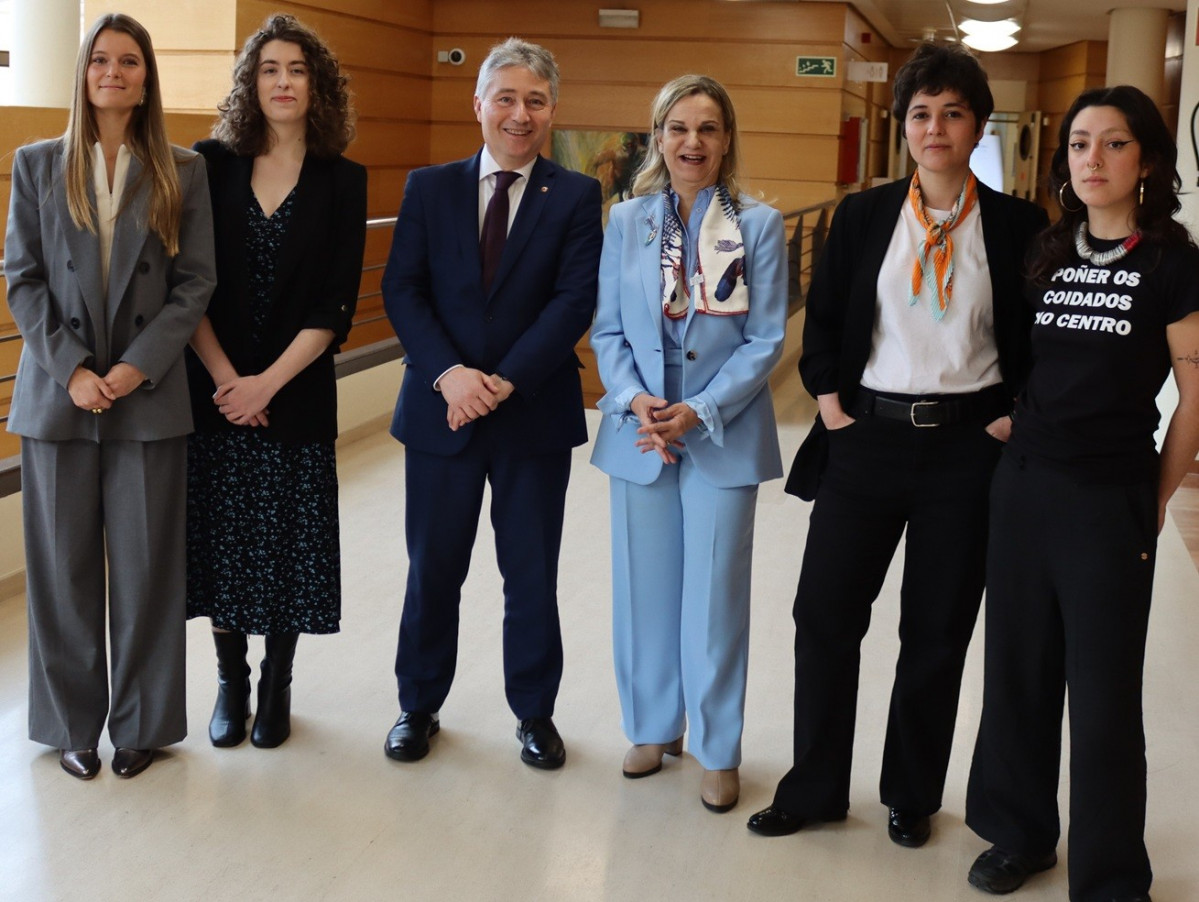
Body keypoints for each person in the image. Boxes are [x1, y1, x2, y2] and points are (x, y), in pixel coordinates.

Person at [746, 42, 1047, 842]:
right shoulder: (865, 214)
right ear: (903, 126)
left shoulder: (1017, 225)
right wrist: (830, 402)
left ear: (977, 125)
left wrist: (1011, 419)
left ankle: (910, 795)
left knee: (936, 629)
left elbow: (1036, 341)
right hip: (867, 440)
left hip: (966, 449)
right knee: (824, 615)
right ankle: (813, 787)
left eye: (952, 113)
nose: (935, 127)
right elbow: (827, 323)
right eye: (920, 113)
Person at [964, 85, 1199, 902]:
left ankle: (1108, 876)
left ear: (1146, 160)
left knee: (1100, 698)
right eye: (1077, 144)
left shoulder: (1172, 260)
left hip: (1108, 498)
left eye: (1112, 143)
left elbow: (1195, 397)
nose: (1091, 159)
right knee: (1017, 675)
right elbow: (1029, 367)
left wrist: (1156, 494)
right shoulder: (1048, 250)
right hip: (1023, 490)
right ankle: (1019, 835)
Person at [380, 38, 602, 769]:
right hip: (441, 412)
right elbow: (402, 291)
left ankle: (534, 713)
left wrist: (502, 381)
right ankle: (417, 705)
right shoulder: (428, 187)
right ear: (478, 105)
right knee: (433, 567)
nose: (519, 113)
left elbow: (573, 299)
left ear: (552, 112)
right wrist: (450, 375)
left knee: (530, 574)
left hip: (530, 414)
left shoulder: (573, 195)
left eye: (534, 100)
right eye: (504, 97)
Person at [3, 13, 215, 779]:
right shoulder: (35, 163)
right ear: (82, 72)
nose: (113, 72)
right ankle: (68, 726)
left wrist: (134, 367)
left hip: (147, 396)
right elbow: (21, 278)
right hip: (58, 399)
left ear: (146, 76)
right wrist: (72, 370)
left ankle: (141, 725)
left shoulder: (182, 169)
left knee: (148, 570)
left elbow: (194, 282)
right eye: (101, 59)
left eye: (129, 61)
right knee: (60, 574)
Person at [589, 75, 787, 813]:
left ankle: (716, 744)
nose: (691, 142)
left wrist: (698, 408)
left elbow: (764, 338)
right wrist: (636, 399)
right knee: (643, 588)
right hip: (641, 429)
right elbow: (606, 328)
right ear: (657, 136)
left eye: (707, 128)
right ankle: (649, 727)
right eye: (677, 127)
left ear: (726, 139)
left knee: (713, 597)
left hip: (720, 428)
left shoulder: (755, 224)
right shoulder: (626, 221)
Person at [185, 14, 366, 750]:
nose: (283, 81)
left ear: (316, 85)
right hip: (215, 392)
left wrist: (267, 386)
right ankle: (232, 682)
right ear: (249, 84)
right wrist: (231, 381)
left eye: (297, 70)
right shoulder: (209, 164)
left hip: (295, 394)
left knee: (289, 546)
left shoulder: (342, 179)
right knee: (225, 541)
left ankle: (278, 685)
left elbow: (335, 305)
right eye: (269, 69)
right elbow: (186, 285)